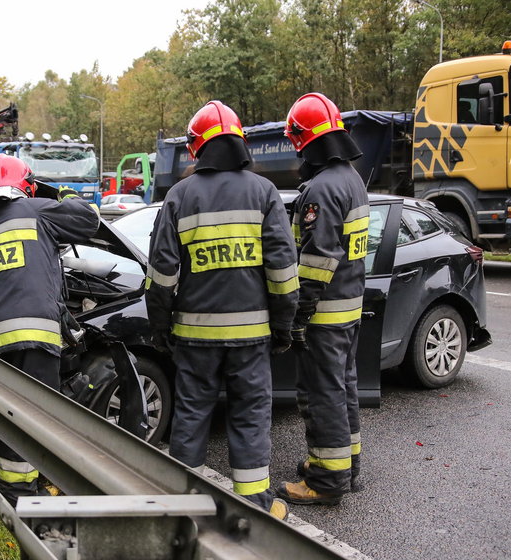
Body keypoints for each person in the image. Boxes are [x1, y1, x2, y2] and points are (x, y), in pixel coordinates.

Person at [145, 100, 299, 521]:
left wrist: (161, 328)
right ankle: (255, 512)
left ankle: (185, 510)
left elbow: (161, 275)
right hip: (252, 339)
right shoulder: (264, 193)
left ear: (197, 149)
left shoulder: (178, 196)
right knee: (250, 419)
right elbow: (283, 272)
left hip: (194, 338)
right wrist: (284, 326)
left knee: (192, 416)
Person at [0, 153, 99, 505]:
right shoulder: (35, 210)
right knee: (30, 414)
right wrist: (67, 194)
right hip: (35, 332)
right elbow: (89, 220)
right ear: (25, 185)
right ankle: (19, 490)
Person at [275, 92, 369, 506]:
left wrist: (298, 314)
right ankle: (346, 466)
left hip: (325, 316)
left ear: (303, 137)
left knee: (322, 395)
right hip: (349, 309)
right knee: (344, 388)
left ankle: (325, 481)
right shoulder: (352, 179)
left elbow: (316, 261)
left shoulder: (322, 189)